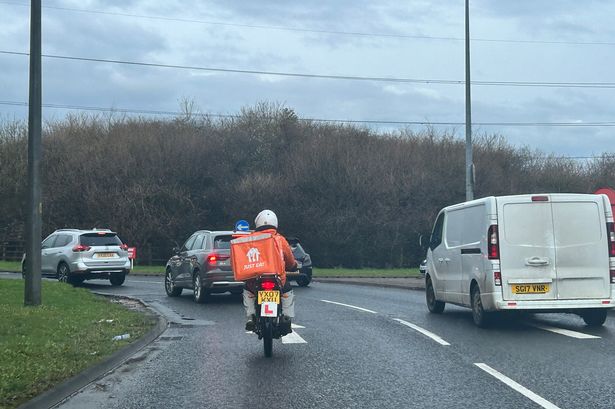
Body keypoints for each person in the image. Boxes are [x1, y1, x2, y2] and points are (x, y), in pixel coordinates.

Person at [243, 209, 298, 332]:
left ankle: (251, 317)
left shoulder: (250, 239)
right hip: (277, 279)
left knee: (248, 291)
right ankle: (286, 317)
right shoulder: (280, 239)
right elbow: (289, 259)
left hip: (255, 279)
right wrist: (293, 266)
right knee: (287, 291)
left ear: (258, 223)